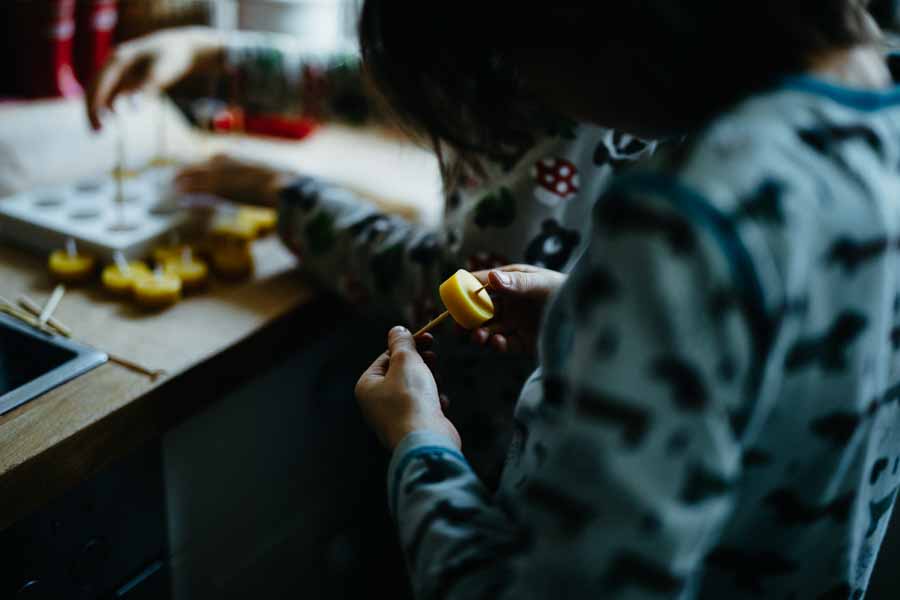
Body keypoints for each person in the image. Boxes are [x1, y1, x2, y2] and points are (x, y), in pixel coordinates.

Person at [354, 2, 900, 598]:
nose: (540, 100)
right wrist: (591, 323)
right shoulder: (876, 116)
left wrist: (420, 444)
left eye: (510, 64)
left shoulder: (678, 222)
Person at [85, 24, 653, 484]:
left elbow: (452, 288)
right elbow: (415, 81)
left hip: (497, 451)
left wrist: (286, 196)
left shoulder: (576, 104)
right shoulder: (527, 59)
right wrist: (209, 56)